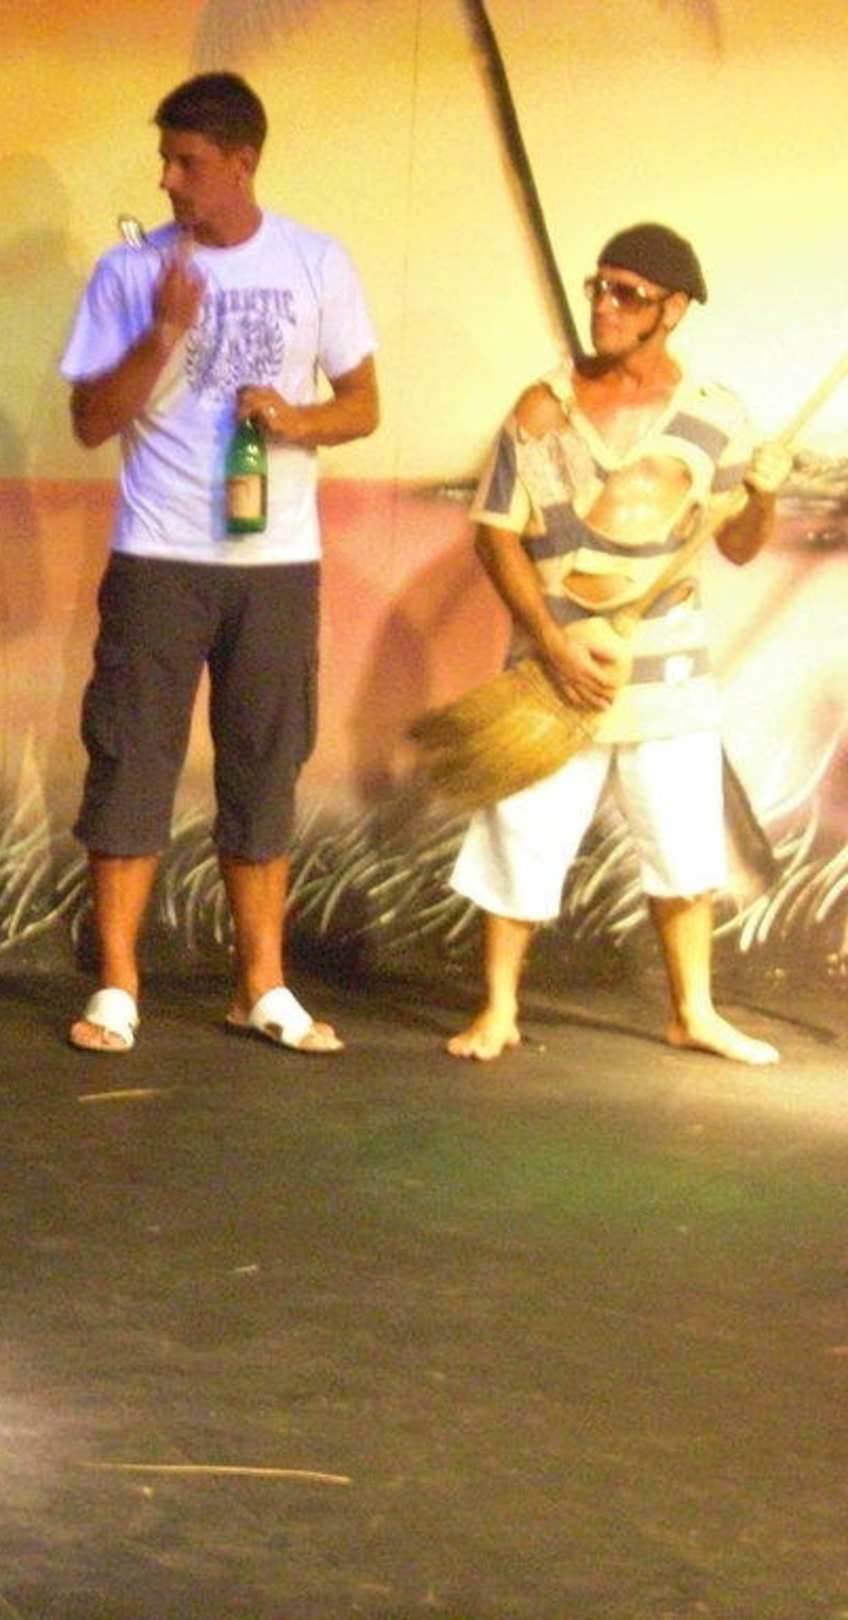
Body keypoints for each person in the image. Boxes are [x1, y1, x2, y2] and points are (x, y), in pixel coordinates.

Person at [59, 72, 379, 1056]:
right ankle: (117, 986)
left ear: (243, 163)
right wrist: (162, 331)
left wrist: (295, 419)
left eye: (187, 161)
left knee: (265, 765)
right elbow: (89, 421)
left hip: (277, 561)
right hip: (159, 553)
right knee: (131, 760)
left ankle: (261, 986)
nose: (167, 179)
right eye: (164, 159)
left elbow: (363, 405)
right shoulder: (129, 271)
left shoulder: (316, 261)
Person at [444, 224, 788, 1066]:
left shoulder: (713, 418)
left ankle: (693, 1011)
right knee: (521, 833)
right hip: (554, 667)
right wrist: (555, 641)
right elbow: (497, 534)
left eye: (627, 293)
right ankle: (498, 1008)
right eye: (599, 286)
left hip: (667, 670)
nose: (604, 304)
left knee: (683, 842)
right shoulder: (545, 409)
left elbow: (740, 547)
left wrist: (763, 499)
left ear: (673, 309)